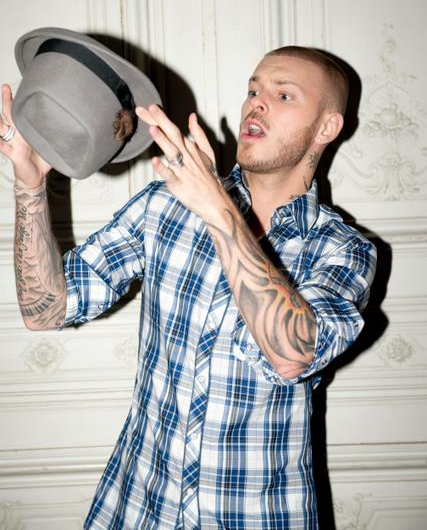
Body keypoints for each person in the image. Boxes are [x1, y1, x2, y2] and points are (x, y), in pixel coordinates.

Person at [1, 46, 376, 529]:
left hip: (257, 516)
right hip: (139, 506)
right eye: (253, 90)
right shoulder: (166, 205)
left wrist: (219, 211)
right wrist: (29, 184)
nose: (256, 104)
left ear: (327, 127)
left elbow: (293, 354)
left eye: (283, 95)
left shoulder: (343, 250)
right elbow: (46, 310)